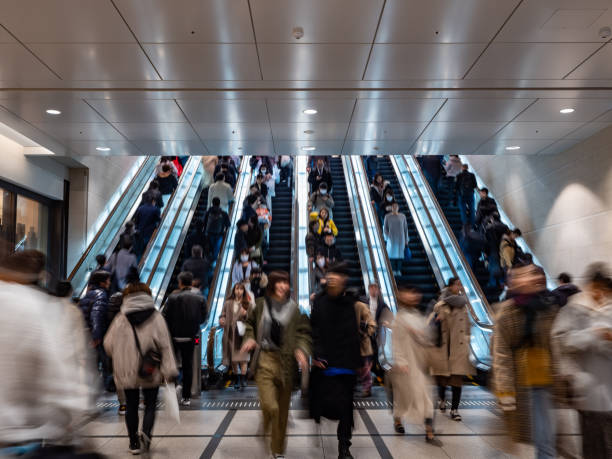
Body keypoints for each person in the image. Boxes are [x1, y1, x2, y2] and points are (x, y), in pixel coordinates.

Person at [0, 251, 98, 455]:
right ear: (41, 275)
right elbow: (59, 379)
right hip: (20, 438)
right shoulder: (35, 307)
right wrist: (77, 425)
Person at [492, 264, 560, 459]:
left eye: (533, 274)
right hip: (519, 382)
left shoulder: (548, 307)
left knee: (545, 436)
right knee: (523, 440)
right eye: (522, 275)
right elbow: (501, 354)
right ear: (512, 282)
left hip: (545, 378)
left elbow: (556, 344)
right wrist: (505, 390)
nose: (529, 278)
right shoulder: (506, 312)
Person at [241, 271, 311, 458]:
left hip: (286, 364)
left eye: (285, 283)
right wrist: (249, 338)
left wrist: (301, 349)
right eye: (279, 282)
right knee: (270, 406)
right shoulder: (261, 305)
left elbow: (303, 333)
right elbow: (249, 324)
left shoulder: (294, 309)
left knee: (282, 411)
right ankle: (265, 424)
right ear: (272, 284)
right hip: (265, 360)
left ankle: (278, 450)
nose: (283, 286)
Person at [104, 280, 177, 455]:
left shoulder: (120, 318)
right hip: (149, 369)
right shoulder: (156, 317)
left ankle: (133, 443)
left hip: (127, 370)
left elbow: (107, 345)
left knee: (131, 405)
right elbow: (165, 346)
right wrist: (169, 370)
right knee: (150, 404)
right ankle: (146, 434)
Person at [551, 263, 612, 459]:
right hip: (589, 389)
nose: (601, 294)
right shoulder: (574, 309)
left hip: (608, 387)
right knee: (594, 446)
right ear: (591, 285)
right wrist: (594, 334)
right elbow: (562, 341)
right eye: (598, 288)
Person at [310, 262, 362, 459]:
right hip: (326, 364)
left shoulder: (350, 302)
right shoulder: (320, 302)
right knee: (328, 406)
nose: (331, 277)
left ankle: (344, 447)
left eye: (336, 275)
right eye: (330, 274)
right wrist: (316, 354)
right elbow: (313, 330)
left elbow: (352, 333)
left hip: (347, 364)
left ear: (344, 279)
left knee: (346, 408)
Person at [391, 283, 437, 442]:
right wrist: (400, 360)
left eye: (415, 293)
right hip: (406, 366)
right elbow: (396, 342)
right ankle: (398, 419)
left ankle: (429, 428)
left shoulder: (419, 316)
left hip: (420, 364)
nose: (413, 296)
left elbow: (428, 338)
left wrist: (422, 334)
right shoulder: (399, 318)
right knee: (404, 398)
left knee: (425, 396)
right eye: (409, 293)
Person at [429, 278, 475, 422]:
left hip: (458, 348)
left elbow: (467, 325)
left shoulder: (463, 304)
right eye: (457, 284)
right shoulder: (440, 304)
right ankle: (442, 399)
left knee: (457, 380)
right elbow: (431, 323)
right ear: (450, 286)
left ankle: (454, 409)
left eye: (461, 284)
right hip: (443, 348)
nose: (460, 287)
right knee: (441, 379)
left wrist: (467, 338)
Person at [162, 272, 207, 406]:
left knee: (172, 363)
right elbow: (204, 317)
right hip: (191, 337)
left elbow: (164, 315)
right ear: (191, 282)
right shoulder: (199, 298)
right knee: (188, 365)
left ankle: (174, 387)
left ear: (180, 282)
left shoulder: (172, 297)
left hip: (174, 337)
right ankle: (186, 396)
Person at [79, 270, 112, 391]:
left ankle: (90, 389)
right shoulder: (101, 295)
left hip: (86, 334)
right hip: (96, 336)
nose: (109, 282)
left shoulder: (88, 294)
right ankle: (102, 388)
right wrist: (97, 336)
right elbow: (96, 314)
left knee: (91, 364)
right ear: (102, 282)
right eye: (108, 280)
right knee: (104, 363)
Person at [220, 282, 255, 390]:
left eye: (241, 289)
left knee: (243, 358)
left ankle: (243, 379)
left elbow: (252, 319)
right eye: (236, 289)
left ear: (244, 291)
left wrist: (246, 314)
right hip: (231, 334)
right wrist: (222, 319)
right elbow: (223, 315)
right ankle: (237, 379)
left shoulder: (247, 303)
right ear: (233, 290)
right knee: (234, 359)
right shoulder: (228, 303)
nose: (238, 291)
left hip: (242, 334)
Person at [364, 283, 392, 378]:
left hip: (378, 333)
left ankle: (379, 373)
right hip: (366, 332)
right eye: (371, 288)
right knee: (367, 353)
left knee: (377, 353)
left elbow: (390, 317)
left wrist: (387, 323)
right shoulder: (364, 302)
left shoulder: (383, 304)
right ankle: (371, 372)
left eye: (376, 288)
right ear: (368, 290)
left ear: (379, 291)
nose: (374, 290)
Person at [383, 202, 409, 277]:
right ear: (391, 208)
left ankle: (398, 270)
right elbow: (385, 228)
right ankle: (393, 270)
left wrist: (406, 239)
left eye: (396, 206)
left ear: (398, 208)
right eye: (393, 206)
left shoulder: (402, 216)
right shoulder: (387, 216)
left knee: (400, 255)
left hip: (401, 239)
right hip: (391, 239)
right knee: (392, 255)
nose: (394, 208)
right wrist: (388, 237)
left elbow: (405, 228)